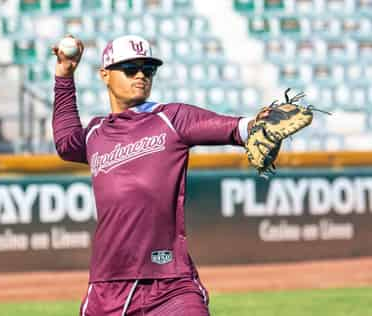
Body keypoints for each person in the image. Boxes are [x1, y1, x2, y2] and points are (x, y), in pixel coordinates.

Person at [52, 34, 258, 316]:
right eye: (130, 69)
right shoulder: (96, 133)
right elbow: (66, 144)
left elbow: (234, 128)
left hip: (171, 285)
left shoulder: (172, 119)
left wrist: (258, 125)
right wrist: (64, 76)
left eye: (148, 70)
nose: (141, 76)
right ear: (105, 75)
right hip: (107, 287)